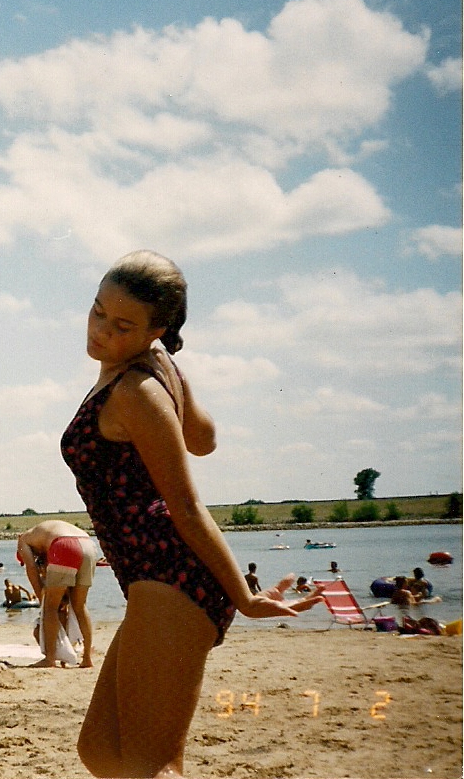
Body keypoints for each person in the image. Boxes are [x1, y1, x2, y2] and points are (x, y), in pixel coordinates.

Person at [60, 251, 322, 778]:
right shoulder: (144, 374)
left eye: (123, 325)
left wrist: (244, 597)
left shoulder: (137, 391)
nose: (101, 330)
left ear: (157, 329)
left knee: (150, 764)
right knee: (103, 751)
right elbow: (203, 437)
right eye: (97, 311)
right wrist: (169, 371)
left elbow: (186, 503)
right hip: (152, 578)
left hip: (175, 574)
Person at [16, 520, 97, 668]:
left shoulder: (24, 540)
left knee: (50, 607)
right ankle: (87, 658)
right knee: (80, 605)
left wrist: (43, 600)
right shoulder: (45, 532)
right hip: (88, 544)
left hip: (63, 545)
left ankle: (50, 659)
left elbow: (32, 570)